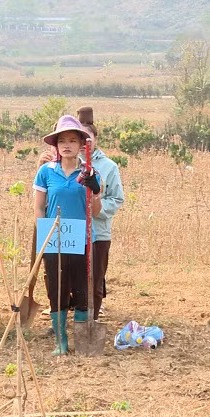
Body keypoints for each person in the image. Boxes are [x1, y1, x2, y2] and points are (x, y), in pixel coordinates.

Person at [33, 115, 102, 355]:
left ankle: (82, 338)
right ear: (56, 145)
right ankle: (60, 341)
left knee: (82, 289)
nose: (67, 145)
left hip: (81, 239)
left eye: (73, 140)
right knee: (57, 289)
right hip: (54, 238)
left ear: (82, 144)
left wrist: (94, 191)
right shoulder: (46, 172)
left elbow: (95, 211)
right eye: (62, 140)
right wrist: (42, 234)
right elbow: (39, 207)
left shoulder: (90, 172)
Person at [76, 106, 124, 319]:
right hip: (72, 231)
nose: (85, 142)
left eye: (88, 137)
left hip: (98, 231)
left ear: (95, 138)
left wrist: (98, 207)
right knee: (71, 277)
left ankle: (92, 319)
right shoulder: (63, 164)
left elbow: (116, 198)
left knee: (95, 278)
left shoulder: (109, 166)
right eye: (80, 137)